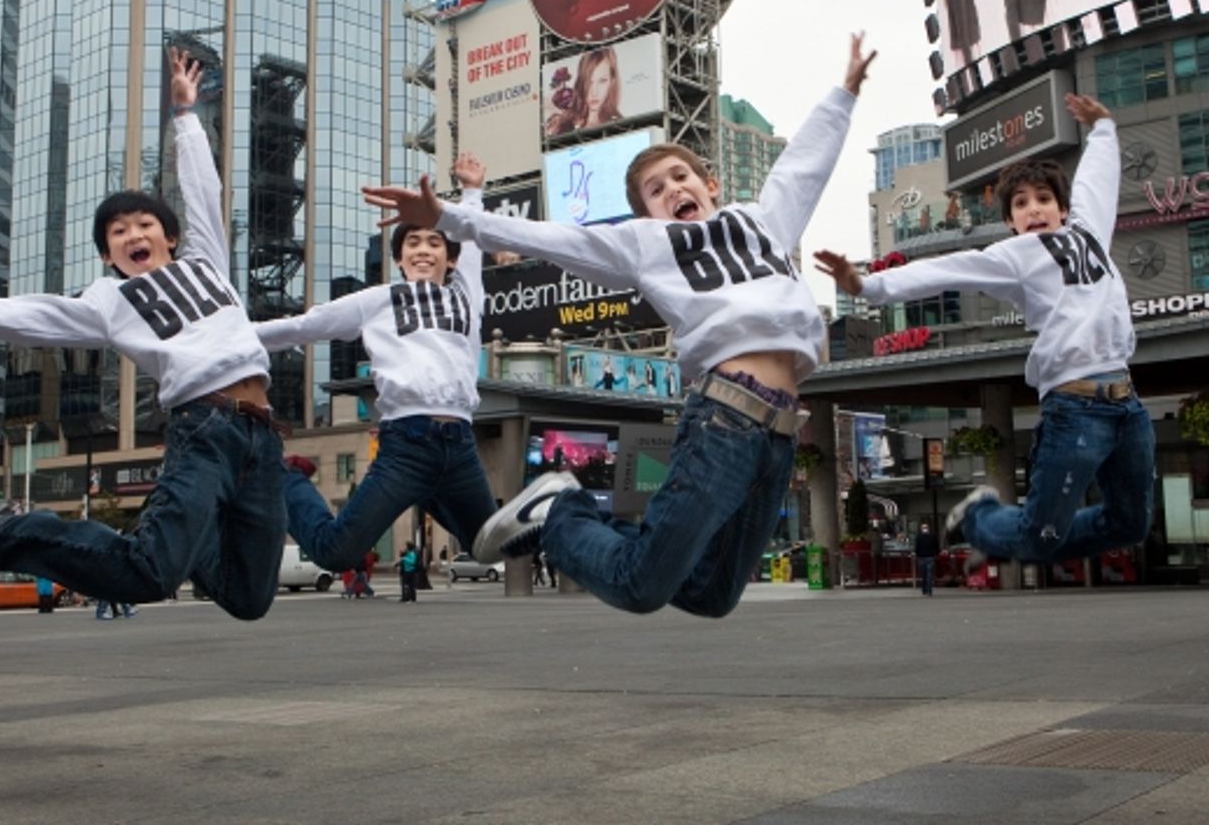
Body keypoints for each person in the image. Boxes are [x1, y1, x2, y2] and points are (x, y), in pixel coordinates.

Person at [365, 34, 875, 619]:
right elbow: (548, 238)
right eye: (657, 191)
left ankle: (589, 524)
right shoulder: (646, 244)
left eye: (681, 177)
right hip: (725, 418)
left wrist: (845, 92)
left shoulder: (762, 222)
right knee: (639, 587)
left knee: (710, 595)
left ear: (709, 185)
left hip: (780, 437)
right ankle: (558, 512)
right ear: (646, 213)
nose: (673, 190)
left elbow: (803, 166)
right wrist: (447, 216)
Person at [0, 47, 288, 621]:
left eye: (144, 224)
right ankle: (0, 533)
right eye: (118, 232)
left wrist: (185, 114)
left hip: (263, 435)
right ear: (107, 255)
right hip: (206, 427)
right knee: (149, 572)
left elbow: (202, 190)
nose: (133, 235)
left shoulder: (207, 262)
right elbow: (16, 314)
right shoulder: (108, 302)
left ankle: (181, 532)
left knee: (249, 599)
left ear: (169, 237)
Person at [815, 92, 1154, 574]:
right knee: (1039, 537)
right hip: (1075, 408)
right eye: (1021, 204)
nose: (1034, 210)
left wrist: (1103, 128)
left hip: (1127, 405)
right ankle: (980, 517)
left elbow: (1097, 182)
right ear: (1010, 221)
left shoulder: (1089, 232)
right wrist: (868, 286)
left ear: (1063, 209)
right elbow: (947, 269)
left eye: (1043, 200)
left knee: (1131, 524)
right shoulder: (1014, 256)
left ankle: (1021, 533)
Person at [251, 152, 496, 581]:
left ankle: (432, 493)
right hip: (406, 444)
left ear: (451, 258)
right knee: (336, 552)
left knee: (487, 546)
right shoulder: (377, 301)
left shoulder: (466, 295)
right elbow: (306, 325)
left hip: (459, 444)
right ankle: (284, 476)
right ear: (399, 258)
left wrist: (472, 191)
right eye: (412, 244)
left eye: (434, 243)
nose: (424, 251)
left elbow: (471, 236)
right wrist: (234, 337)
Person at [545, 47, 622, 136]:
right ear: (581, 82)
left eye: (602, 81)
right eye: (589, 82)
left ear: (612, 81)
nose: (594, 92)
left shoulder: (621, 125)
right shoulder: (561, 124)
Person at [914, 522, 938, 597]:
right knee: (929, 574)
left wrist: (917, 555)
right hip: (930, 557)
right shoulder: (933, 536)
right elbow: (936, 546)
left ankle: (924, 590)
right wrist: (936, 554)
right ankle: (929, 590)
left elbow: (917, 547)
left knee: (923, 574)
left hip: (922, 557)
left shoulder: (919, 537)